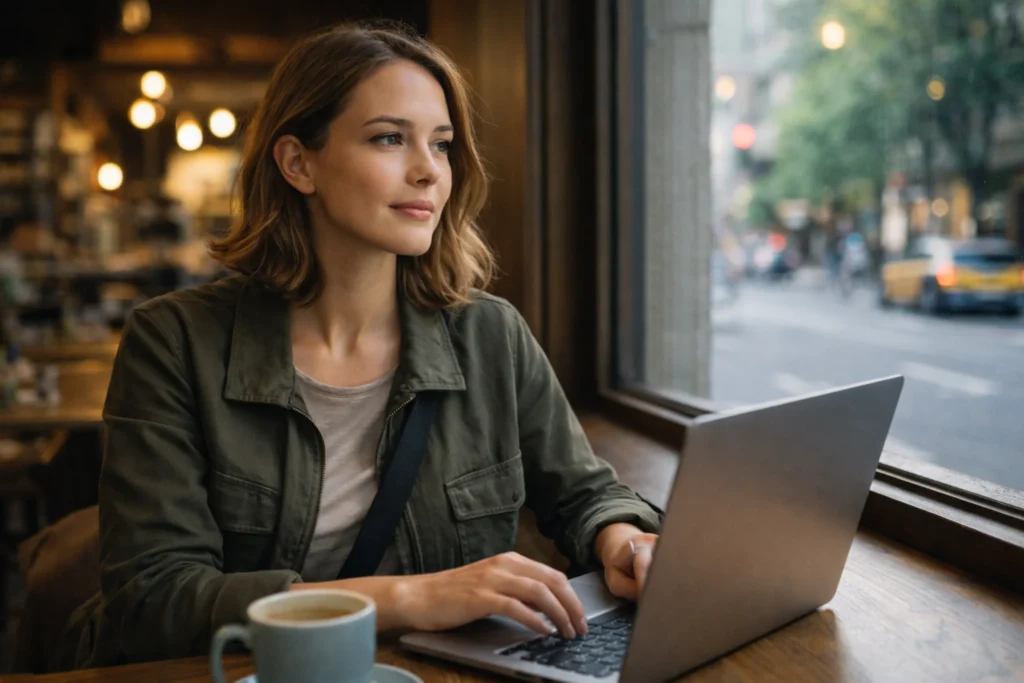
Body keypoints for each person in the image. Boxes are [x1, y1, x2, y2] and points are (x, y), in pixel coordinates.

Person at [55, 21, 662, 670]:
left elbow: (583, 495)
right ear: (298, 162)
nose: (429, 170)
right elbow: (154, 601)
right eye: (389, 138)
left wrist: (622, 540)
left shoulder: (491, 334)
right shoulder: (173, 343)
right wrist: (408, 597)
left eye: (442, 144)